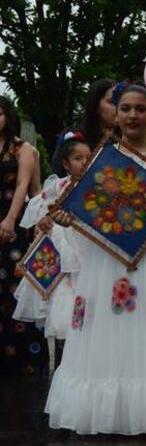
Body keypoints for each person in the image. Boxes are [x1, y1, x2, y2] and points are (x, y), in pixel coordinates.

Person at [44, 85, 146, 434]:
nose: (133, 115)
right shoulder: (99, 160)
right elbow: (89, 214)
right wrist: (69, 221)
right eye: (126, 108)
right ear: (115, 114)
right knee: (110, 326)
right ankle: (109, 413)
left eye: (140, 109)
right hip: (107, 262)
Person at [13, 132, 89, 346]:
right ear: (65, 163)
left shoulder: (98, 186)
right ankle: (61, 357)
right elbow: (39, 204)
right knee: (63, 305)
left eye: (88, 157)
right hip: (62, 253)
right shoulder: (59, 186)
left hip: (87, 251)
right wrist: (44, 220)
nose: (85, 162)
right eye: (78, 158)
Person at [0, 96, 44, 376]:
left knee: (17, 289)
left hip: (14, 226)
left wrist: (10, 220)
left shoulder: (22, 149)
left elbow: (24, 187)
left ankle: (25, 358)